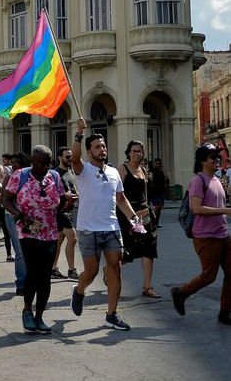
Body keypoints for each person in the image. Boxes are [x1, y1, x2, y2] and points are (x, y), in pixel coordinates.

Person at [68, 118, 142, 331]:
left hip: (111, 229)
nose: (102, 149)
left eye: (104, 146)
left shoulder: (113, 172)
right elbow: (74, 158)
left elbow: (120, 199)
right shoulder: (82, 170)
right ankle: (79, 290)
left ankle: (111, 314)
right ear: (89, 151)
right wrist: (79, 134)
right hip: (87, 230)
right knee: (90, 273)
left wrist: (133, 217)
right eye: (97, 147)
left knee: (115, 270)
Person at [170, 144, 231, 327]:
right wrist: (227, 211)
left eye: (218, 157)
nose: (217, 160)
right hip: (205, 237)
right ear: (203, 160)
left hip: (223, 236)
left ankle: (226, 313)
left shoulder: (216, 180)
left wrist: (229, 234)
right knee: (209, 276)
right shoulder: (198, 180)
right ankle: (181, 293)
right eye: (213, 157)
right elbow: (196, 208)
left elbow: (218, 211)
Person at [2, 145, 73, 334]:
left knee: (45, 276)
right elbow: (6, 199)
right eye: (42, 162)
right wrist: (19, 215)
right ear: (33, 161)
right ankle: (27, 310)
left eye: (49, 162)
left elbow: (58, 204)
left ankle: (39, 316)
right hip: (28, 231)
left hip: (50, 232)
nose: (46, 166)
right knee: (33, 272)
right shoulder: (20, 176)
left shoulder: (54, 177)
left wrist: (66, 201)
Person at [117, 140, 160, 298]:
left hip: (145, 216)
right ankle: (110, 269)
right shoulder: (123, 169)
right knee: (128, 253)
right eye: (134, 151)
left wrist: (151, 209)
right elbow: (118, 195)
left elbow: (147, 194)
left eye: (140, 151)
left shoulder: (143, 170)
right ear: (128, 152)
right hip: (128, 216)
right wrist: (130, 215)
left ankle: (147, 287)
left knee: (149, 250)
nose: (137, 154)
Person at [52, 147, 80, 279]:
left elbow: (73, 189)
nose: (70, 159)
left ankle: (52, 268)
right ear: (60, 158)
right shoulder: (55, 173)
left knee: (59, 239)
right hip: (60, 211)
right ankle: (71, 269)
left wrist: (77, 196)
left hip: (69, 210)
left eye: (71, 156)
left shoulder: (70, 172)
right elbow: (51, 193)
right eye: (67, 157)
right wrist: (65, 196)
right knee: (73, 239)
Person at [148, 157, 168, 222]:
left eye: (159, 164)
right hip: (154, 192)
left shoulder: (162, 171)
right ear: (154, 164)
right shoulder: (152, 171)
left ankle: (156, 222)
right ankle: (153, 221)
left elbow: (165, 181)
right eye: (156, 163)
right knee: (156, 207)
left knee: (159, 207)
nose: (158, 165)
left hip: (161, 192)